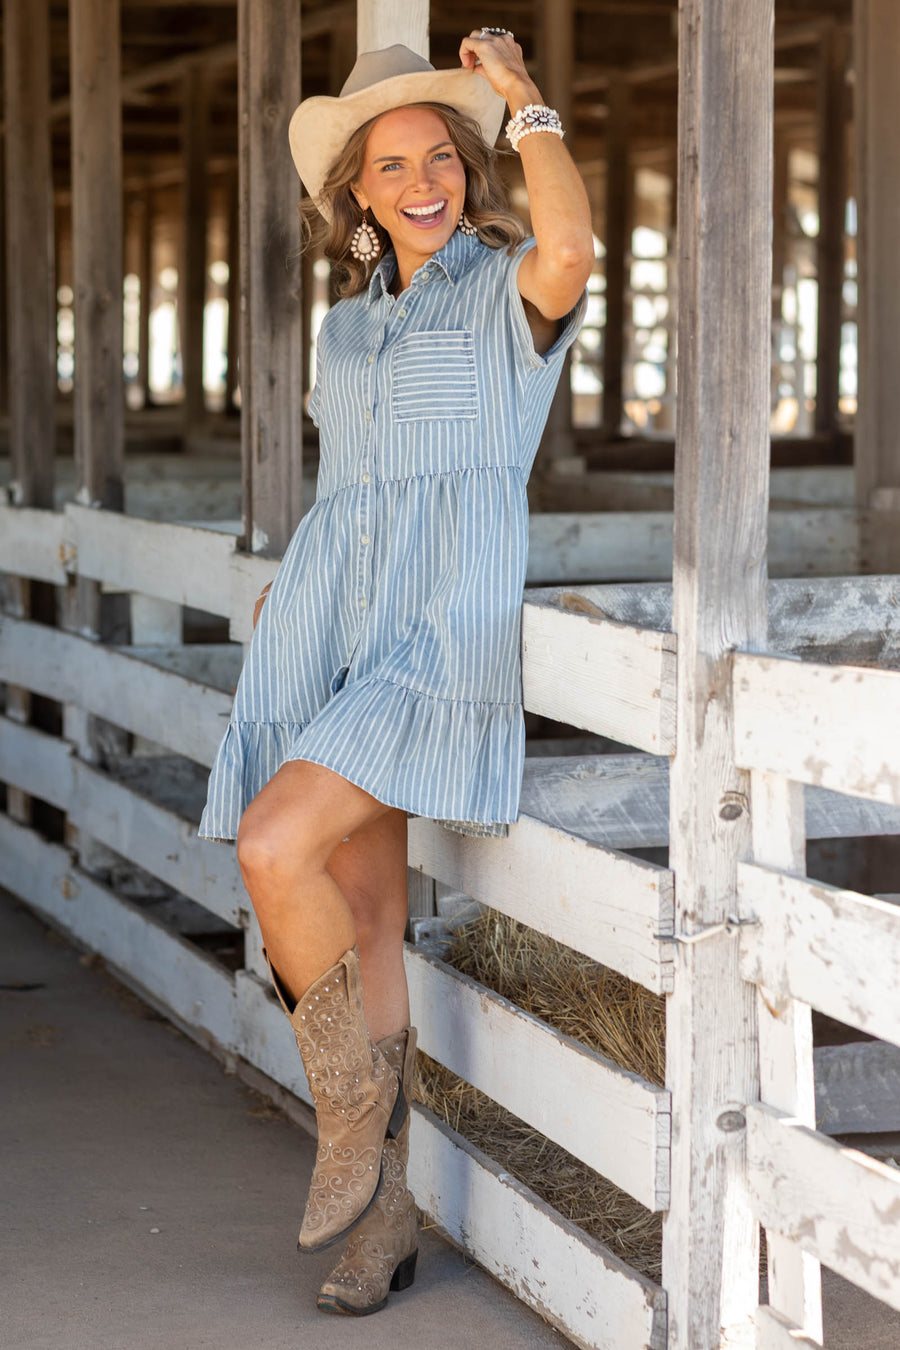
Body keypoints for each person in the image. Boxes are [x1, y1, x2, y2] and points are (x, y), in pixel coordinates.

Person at [198, 29, 593, 1317]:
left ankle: (344, 1117)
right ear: (355, 197)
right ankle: (389, 1221)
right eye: (390, 167)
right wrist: (303, 575)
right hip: (336, 619)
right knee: (364, 926)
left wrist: (529, 108)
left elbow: (578, 253)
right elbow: (350, 484)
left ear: (466, 169)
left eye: (438, 157)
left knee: (271, 843)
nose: (419, 182)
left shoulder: (506, 285)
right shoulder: (344, 337)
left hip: (438, 633)